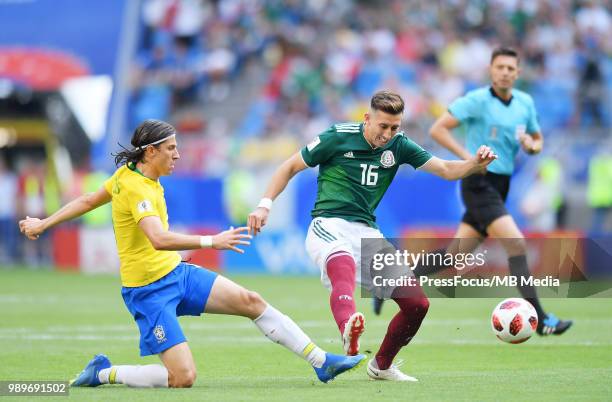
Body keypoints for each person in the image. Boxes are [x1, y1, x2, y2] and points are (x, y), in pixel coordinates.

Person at [19, 119, 364, 389]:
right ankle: (105, 373)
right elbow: (156, 238)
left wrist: (44, 222)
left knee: (251, 300)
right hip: (147, 292)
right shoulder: (137, 188)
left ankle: (322, 361)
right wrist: (210, 242)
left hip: (177, 275)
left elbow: (88, 199)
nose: (177, 155)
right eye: (171, 149)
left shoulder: (127, 176)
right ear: (151, 152)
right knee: (182, 378)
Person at [247, 90, 497, 381]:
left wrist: (474, 165)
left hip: (367, 232)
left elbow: (444, 169)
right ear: (367, 119)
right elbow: (289, 166)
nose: (388, 134)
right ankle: (348, 332)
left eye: (395, 127)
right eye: (383, 126)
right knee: (343, 266)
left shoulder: (400, 145)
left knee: (418, 305)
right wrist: (264, 205)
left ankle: (381, 366)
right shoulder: (337, 136)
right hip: (328, 224)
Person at [401, 47, 571, 336]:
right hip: (479, 182)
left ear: (518, 73)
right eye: (500, 67)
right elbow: (438, 130)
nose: (505, 72)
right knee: (516, 244)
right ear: (491, 71)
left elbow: (537, 139)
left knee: (455, 255)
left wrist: (533, 146)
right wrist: (469, 159)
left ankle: (394, 281)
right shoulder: (477, 100)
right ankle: (540, 319)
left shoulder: (525, 103)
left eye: (510, 68)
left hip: (501, 184)